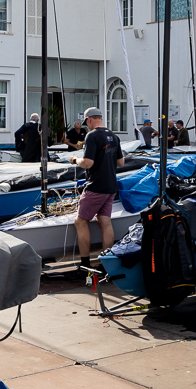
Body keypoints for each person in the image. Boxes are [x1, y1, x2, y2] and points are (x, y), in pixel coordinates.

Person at [70, 107, 124, 272]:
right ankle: (107, 263)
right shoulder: (113, 136)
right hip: (110, 186)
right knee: (105, 221)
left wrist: (74, 160)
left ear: (89, 120)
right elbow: (121, 162)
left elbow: (87, 163)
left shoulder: (91, 135)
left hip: (96, 186)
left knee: (80, 221)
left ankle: (85, 264)